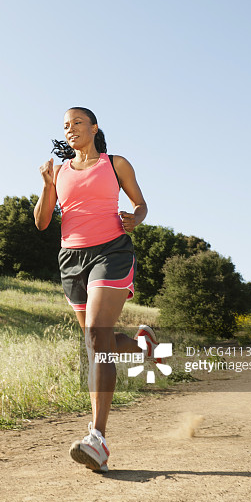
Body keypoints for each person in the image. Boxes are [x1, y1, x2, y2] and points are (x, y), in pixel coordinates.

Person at [34, 107, 157, 472]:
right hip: (70, 258)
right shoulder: (57, 172)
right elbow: (42, 222)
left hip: (112, 251)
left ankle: (97, 438)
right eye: (66, 126)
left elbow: (140, 203)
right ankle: (142, 345)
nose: (70, 130)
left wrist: (136, 217)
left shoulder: (115, 163)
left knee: (96, 337)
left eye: (77, 123)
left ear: (94, 127)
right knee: (96, 343)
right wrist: (45, 186)